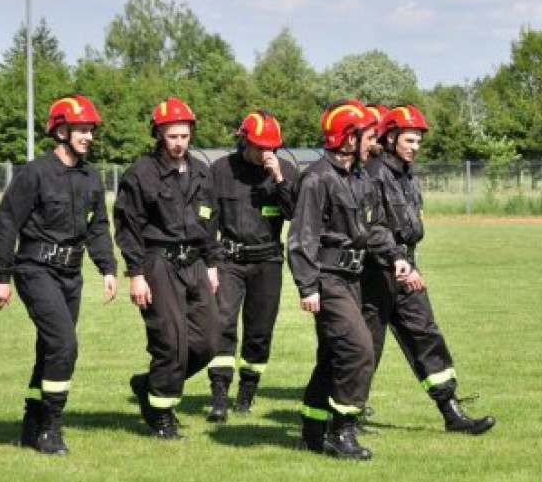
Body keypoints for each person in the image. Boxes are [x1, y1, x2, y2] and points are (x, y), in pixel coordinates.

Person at [288, 100, 411, 460]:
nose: (375, 143)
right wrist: (308, 286)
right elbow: (301, 238)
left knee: (333, 355)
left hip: (353, 277)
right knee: (359, 350)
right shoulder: (317, 179)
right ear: (347, 139)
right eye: (368, 136)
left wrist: (396, 257)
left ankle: (312, 430)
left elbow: (372, 229)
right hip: (328, 279)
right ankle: (343, 433)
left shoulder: (360, 178)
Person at [362, 105, 495, 435]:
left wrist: (407, 262)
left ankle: (452, 413)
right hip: (376, 272)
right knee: (366, 348)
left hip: (407, 265)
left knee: (426, 336)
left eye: (419, 141)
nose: (415, 147)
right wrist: (397, 261)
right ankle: (348, 418)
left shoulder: (405, 174)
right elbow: (373, 228)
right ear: (390, 137)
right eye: (410, 140)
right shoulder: (374, 174)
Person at [0, 95, 118, 455]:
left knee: (49, 349)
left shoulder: (91, 176)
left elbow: (98, 227)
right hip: (35, 269)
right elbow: (6, 224)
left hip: (71, 274)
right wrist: (1, 276)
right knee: (65, 345)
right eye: (82, 129)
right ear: (61, 130)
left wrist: (108, 268)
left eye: (90, 130)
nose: (88, 136)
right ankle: (51, 429)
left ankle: (31, 423)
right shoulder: (33, 173)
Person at [114, 96, 221, 439]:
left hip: (196, 263)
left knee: (208, 342)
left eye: (184, 136)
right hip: (158, 263)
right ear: (159, 134)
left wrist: (213, 263)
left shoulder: (202, 173)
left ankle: (149, 384)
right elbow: (128, 228)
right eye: (172, 136)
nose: (179, 143)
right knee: (171, 342)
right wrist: (136, 274)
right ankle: (161, 413)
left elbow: (210, 221)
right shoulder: (140, 174)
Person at [205, 111, 298, 422]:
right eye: (259, 147)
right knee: (222, 324)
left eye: (271, 148)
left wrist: (279, 180)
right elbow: (208, 218)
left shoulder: (284, 170)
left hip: (268, 261)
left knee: (259, 333)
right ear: (244, 140)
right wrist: (210, 261)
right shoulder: (220, 170)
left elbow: (294, 213)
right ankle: (219, 395)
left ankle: (247, 393)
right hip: (229, 260)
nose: (265, 154)